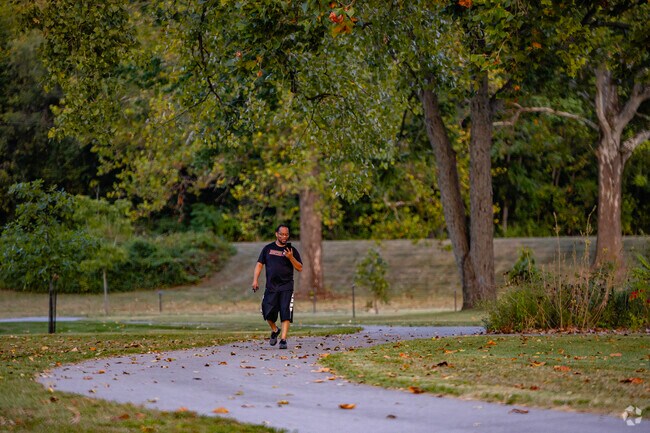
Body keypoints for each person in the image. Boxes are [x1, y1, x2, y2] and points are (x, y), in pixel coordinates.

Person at [252, 224, 302, 349]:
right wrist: (255, 280)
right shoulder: (268, 249)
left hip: (286, 286)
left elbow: (300, 267)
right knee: (266, 311)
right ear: (276, 234)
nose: (284, 237)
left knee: (285, 312)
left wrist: (290, 257)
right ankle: (275, 330)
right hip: (271, 287)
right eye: (282, 234)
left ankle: (283, 340)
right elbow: (259, 264)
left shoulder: (292, 250)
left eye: (286, 234)